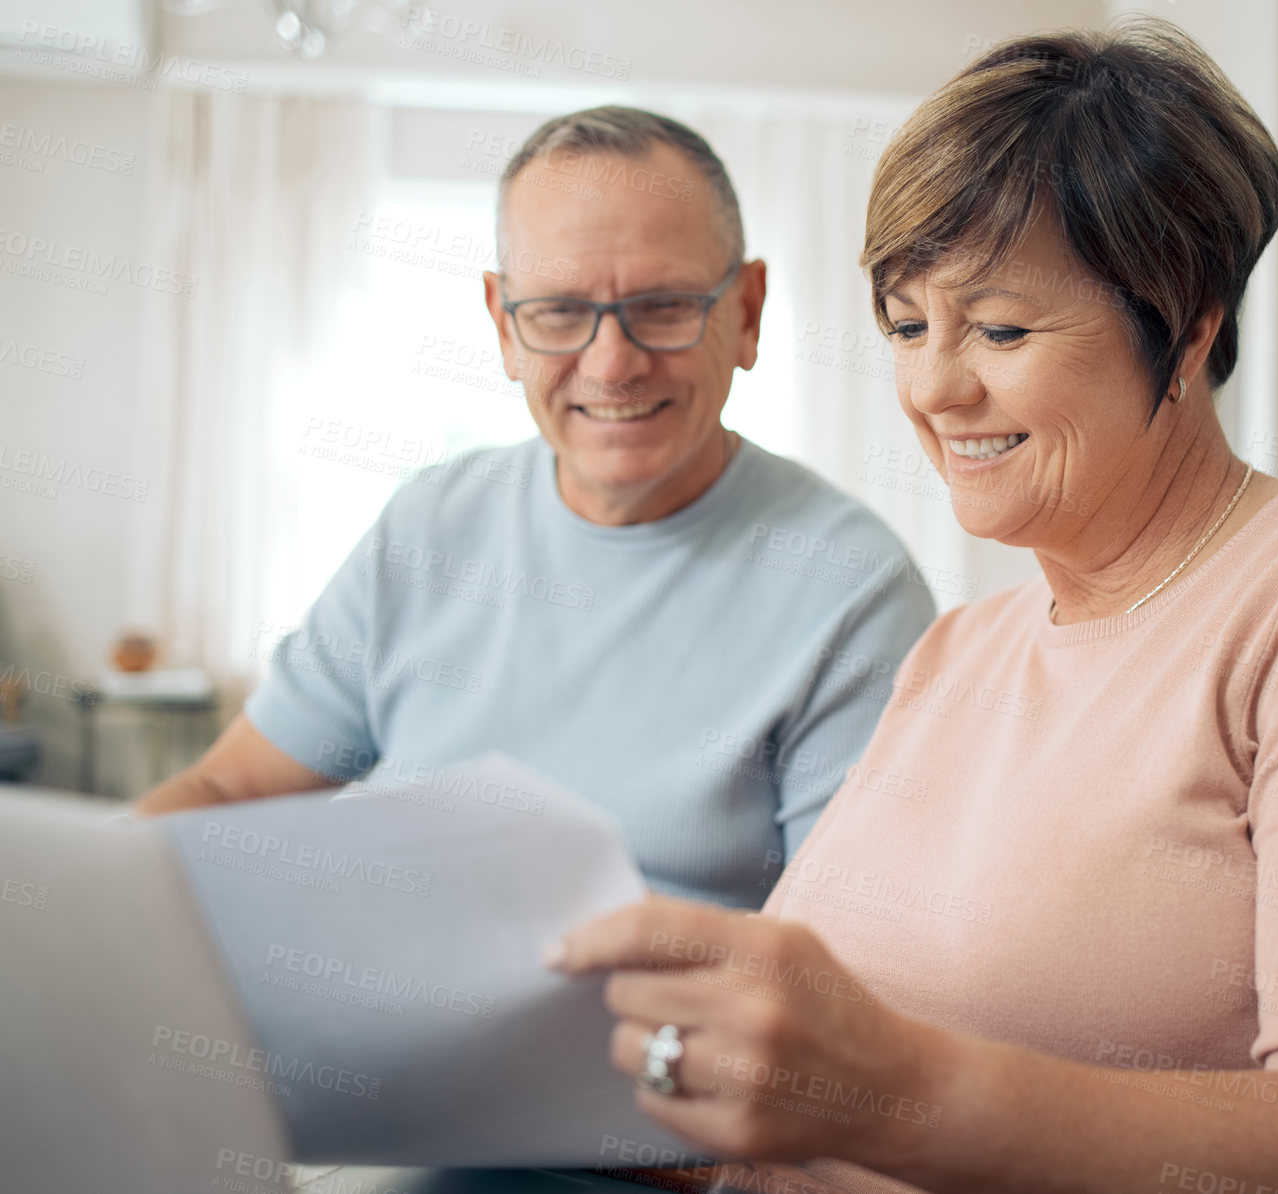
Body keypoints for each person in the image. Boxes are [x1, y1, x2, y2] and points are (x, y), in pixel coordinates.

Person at [552, 22, 1278, 1194]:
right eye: (909, 324)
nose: (934, 387)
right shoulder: (960, 653)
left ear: (1187, 328)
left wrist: (896, 1098)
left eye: (1001, 328)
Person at [133, 107, 937, 908]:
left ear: (747, 312)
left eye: (662, 305)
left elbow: (836, 966)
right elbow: (229, 794)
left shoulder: (853, 589)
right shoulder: (427, 526)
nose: (612, 363)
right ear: (504, 326)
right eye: (559, 312)